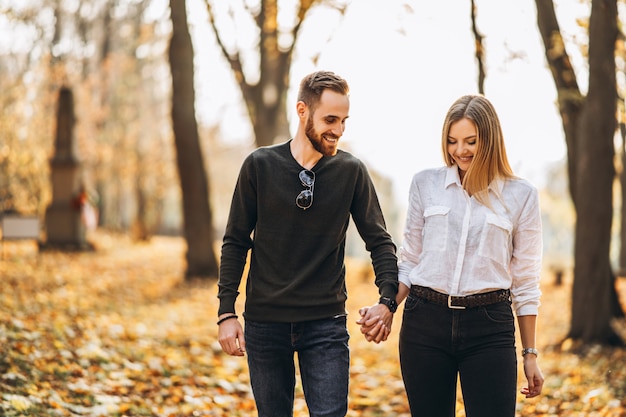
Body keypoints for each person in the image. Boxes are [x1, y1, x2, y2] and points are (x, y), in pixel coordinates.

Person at [216, 70, 399, 417]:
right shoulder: (260, 165)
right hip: (264, 324)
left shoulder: (351, 172)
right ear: (302, 111)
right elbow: (236, 242)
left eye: (344, 120)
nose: (338, 130)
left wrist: (387, 300)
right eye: (330, 119)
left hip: (325, 325)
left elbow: (380, 242)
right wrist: (227, 312)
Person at [360, 94, 544, 416]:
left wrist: (530, 353)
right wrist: (387, 306)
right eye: (452, 141)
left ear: (490, 140)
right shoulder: (425, 184)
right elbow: (411, 260)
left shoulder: (521, 196)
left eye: (471, 141)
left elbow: (526, 283)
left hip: (489, 327)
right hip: (425, 322)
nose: (460, 151)